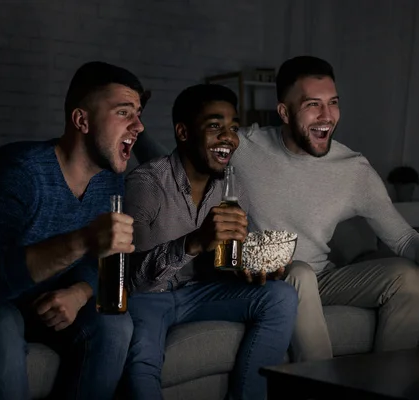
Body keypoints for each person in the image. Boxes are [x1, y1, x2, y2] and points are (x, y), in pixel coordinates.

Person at [228, 56, 419, 361]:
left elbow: (404, 241)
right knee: (299, 272)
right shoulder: (243, 148)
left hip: (320, 279)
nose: (327, 116)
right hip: (265, 280)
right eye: (313, 104)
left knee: (406, 275)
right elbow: (181, 163)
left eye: (333, 102)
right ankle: (325, 386)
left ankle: (387, 386)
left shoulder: (353, 169)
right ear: (284, 112)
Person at [0, 61, 148, 399]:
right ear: (81, 120)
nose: (139, 126)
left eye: (138, 113)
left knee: (116, 323)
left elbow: (101, 262)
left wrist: (80, 293)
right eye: (123, 112)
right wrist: (83, 240)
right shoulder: (17, 171)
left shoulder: (110, 180)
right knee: (1, 326)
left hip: (52, 303)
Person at [122, 83, 298, 400]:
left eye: (233, 128)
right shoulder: (146, 183)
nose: (229, 137)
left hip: (201, 292)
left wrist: (248, 268)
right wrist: (194, 242)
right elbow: (133, 280)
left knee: (281, 297)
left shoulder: (232, 186)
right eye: (215, 126)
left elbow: (229, 258)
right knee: (142, 362)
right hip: (150, 297)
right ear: (184, 132)